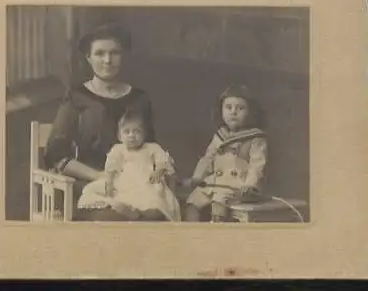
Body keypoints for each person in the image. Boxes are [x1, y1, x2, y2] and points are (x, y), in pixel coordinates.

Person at [43, 23, 162, 221]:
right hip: (92, 185)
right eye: (99, 53)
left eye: (114, 53)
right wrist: (100, 176)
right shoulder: (77, 97)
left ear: (123, 56)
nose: (107, 60)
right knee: (114, 218)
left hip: (137, 185)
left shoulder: (139, 98)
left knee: (156, 217)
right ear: (88, 58)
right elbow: (56, 155)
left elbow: (150, 148)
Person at [183, 85, 268, 222]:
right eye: (228, 107)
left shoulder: (255, 138)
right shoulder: (220, 136)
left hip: (238, 184)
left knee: (219, 201)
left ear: (251, 112)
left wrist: (250, 185)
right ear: (221, 111)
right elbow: (208, 158)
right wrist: (198, 176)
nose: (233, 112)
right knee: (193, 201)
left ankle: (217, 231)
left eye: (240, 108)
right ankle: (192, 232)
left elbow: (257, 165)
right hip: (216, 182)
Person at [77, 110, 181, 221]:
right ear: (119, 136)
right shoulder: (118, 149)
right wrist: (110, 181)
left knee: (155, 199)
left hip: (147, 181)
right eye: (127, 132)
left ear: (144, 134)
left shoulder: (152, 147)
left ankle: (145, 213)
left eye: (137, 132)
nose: (132, 135)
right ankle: (127, 210)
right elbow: (112, 168)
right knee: (96, 191)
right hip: (125, 180)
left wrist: (158, 171)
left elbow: (162, 162)